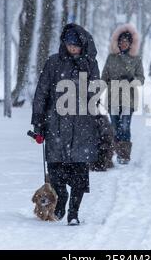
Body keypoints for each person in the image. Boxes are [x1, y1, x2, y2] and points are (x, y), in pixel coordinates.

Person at [31, 24, 100, 226]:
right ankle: (61, 202)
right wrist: (38, 121)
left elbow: (95, 92)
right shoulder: (53, 62)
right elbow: (42, 92)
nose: (72, 49)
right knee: (56, 171)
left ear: (83, 45)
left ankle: (74, 212)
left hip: (82, 127)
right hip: (56, 125)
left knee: (79, 173)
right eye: (69, 45)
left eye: (76, 46)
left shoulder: (90, 64)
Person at [101, 24, 144, 164]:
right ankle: (113, 153)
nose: (123, 44)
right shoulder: (111, 58)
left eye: (126, 42)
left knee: (125, 126)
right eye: (121, 42)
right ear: (117, 43)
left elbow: (141, 79)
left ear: (130, 43)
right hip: (113, 96)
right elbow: (104, 77)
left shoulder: (136, 59)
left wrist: (132, 81)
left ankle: (124, 155)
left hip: (128, 97)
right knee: (114, 126)